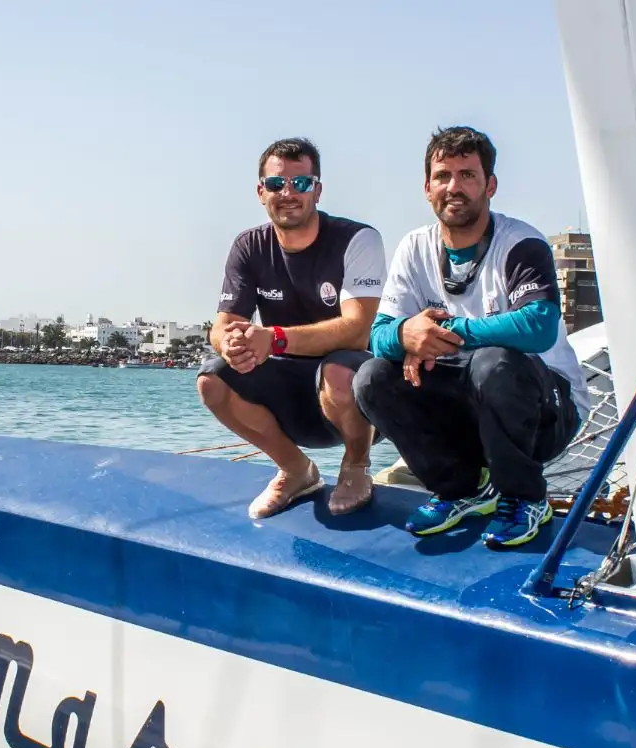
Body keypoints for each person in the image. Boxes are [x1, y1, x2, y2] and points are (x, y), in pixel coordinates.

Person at [354, 126, 589, 547]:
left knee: (493, 362)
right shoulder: (414, 248)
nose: (454, 187)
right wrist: (409, 334)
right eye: (443, 176)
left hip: (547, 413)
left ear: (490, 185)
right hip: (471, 413)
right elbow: (378, 336)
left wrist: (448, 333)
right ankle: (462, 489)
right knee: (371, 378)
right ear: (427, 188)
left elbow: (538, 325)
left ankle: (525, 497)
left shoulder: (521, 242)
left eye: (467, 175)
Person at [197, 137, 387, 519]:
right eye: (275, 184)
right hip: (289, 394)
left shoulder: (358, 239)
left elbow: (357, 330)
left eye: (300, 184)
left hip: (355, 398)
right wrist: (229, 342)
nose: (288, 193)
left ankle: (356, 467)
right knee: (211, 381)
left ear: (316, 190)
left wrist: (276, 338)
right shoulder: (248, 246)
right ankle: (296, 470)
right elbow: (222, 325)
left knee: (338, 369)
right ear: (259, 191)